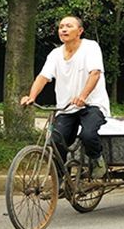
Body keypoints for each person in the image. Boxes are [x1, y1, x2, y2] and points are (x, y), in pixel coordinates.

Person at [21, 15, 110, 179]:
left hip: (91, 105)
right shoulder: (55, 54)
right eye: (61, 27)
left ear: (80, 31)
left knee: (88, 135)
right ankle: (61, 179)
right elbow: (43, 77)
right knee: (55, 141)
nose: (63, 29)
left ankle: (97, 160)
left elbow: (95, 73)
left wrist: (83, 96)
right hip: (66, 108)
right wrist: (31, 96)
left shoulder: (90, 47)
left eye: (69, 26)